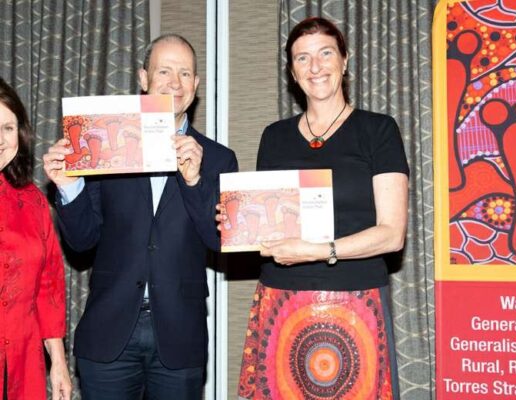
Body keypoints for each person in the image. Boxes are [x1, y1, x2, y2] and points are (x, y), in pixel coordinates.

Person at [43, 34, 238, 399]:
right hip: (109, 331)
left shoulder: (218, 158)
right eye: (164, 71)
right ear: (143, 78)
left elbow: (220, 241)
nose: (174, 83)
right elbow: (83, 241)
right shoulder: (106, 144)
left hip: (180, 335)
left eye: (184, 73)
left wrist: (195, 181)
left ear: (196, 85)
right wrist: (69, 188)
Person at [231, 17, 409, 399]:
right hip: (281, 301)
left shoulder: (378, 131)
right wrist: (237, 221)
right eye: (302, 58)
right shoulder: (274, 137)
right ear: (292, 73)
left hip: (354, 301)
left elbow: (392, 235)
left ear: (344, 61)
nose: (315, 67)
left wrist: (318, 251)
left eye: (325, 53)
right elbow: (271, 226)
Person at [0, 78, 72, 400]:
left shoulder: (33, 201)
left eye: (8, 128)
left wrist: (57, 361)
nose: (0, 139)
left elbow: (49, 285)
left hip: (25, 358)